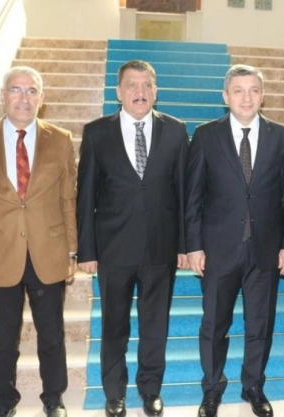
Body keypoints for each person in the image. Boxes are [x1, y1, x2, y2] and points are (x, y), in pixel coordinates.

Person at [185, 64, 284, 417]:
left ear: (262, 95)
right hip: (218, 250)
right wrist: (193, 245)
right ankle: (212, 388)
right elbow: (193, 196)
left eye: (253, 90)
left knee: (260, 325)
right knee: (214, 325)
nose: (246, 97)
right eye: (238, 90)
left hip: (265, 251)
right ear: (226, 96)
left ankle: (253, 386)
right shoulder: (206, 135)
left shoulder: (282, 136)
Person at [0, 66, 76, 417]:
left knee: (52, 334)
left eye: (31, 90)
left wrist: (72, 251)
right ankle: (4, 399)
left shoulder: (61, 139)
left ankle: (53, 397)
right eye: (16, 89)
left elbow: (68, 200)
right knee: (3, 338)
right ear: (3, 95)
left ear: (42, 98)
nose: (24, 97)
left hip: (49, 252)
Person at [76, 59, 188, 417]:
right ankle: (114, 393)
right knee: (114, 325)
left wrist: (185, 245)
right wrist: (86, 250)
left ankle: (151, 389)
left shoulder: (176, 130)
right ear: (118, 92)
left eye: (146, 85)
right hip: (113, 248)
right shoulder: (96, 133)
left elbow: (184, 193)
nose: (140, 92)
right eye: (132, 85)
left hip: (160, 248)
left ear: (156, 91)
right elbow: (86, 196)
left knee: (155, 325)